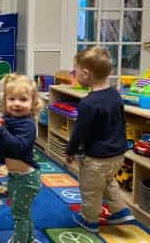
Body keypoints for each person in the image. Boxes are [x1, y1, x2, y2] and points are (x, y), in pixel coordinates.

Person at [65, 46, 135, 232]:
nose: (75, 73)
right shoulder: (115, 95)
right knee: (108, 181)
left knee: (91, 190)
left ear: (86, 73)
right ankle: (120, 210)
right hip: (117, 155)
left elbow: (80, 132)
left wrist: (71, 150)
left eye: (76, 71)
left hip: (96, 158)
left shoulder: (88, 102)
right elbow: (121, 123)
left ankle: (90, 220)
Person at [0, 74, 43, 243]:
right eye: (12, 99)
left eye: (23, 99)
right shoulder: (9, 120)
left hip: (27, 179)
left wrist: (0, 131)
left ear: (32, 103)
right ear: (5, 102)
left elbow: (17, 146)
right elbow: (0, 142)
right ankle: (29, 239)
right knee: (23, 212)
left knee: (19, 214)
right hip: (16, 176)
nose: (16, 103)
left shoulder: (28, 125)